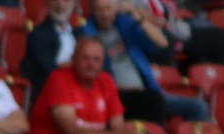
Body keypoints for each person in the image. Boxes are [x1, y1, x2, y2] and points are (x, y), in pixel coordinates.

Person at [27, 37, 154, 134]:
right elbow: (72, 133)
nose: (91, 64)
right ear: (73, 59)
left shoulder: (105, 81)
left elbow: (118, 127)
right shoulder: (59, 79)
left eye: (97, 59)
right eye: (85, 58)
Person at [79, 0, 208, 126]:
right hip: (117, 98)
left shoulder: (125, 24)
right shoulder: (85, 35)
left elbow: (162, 42)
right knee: (154, 106)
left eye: (108, 8)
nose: (105, 14)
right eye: (100, 9)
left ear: (115, 8)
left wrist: (136, 15)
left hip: (147, 91)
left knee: (199, 107)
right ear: (92, 11)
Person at [20, 0, 80, 91]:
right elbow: (51, 73)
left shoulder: (81, 34)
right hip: (54, 93)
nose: (60, 4)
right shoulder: (38, 35)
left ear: (74, 4)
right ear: (47, 2)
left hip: (82, 91)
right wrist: (79, 66)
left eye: (66, 0)